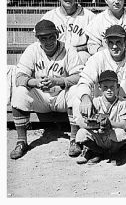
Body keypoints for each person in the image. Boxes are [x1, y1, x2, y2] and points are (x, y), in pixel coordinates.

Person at [75, 25, 126, 158]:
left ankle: (117, 147)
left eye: (119, 42)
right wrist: (85, 97)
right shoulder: (98, 58)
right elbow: (84, 80)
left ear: (125, 42)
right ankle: (95, 147)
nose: (114, 46)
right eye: (111, 43)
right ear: (106, 43)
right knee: (79, 114)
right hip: (100, 109)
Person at [9, 20, 83, 159]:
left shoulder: (68, 49)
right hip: (41, 98)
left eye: (51, 37)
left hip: (61, 97)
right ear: (38, 39)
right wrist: (35, 82)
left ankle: (74, 140)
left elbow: (79, 76)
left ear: (57, 35)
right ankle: (21, 141)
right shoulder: (32, 50)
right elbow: (19, 77)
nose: (48, 41)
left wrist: (59, 81)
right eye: (43, 38)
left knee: (76, 91)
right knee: (19, 91)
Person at [75, 70, 126, 165]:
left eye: (112, 87)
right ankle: (96, 152)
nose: (109, 90)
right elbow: (81, 122)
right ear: (99, 88)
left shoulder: (123, 103)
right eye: (105, 87)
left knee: (121, 134)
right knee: (81, 133)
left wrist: (109, 122)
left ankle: (113, 153)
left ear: (117, 87)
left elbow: (124, 124)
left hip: (111, 135)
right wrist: (97, 123)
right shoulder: (95, 102)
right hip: (98, 136)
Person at [41, 0, 95, 64]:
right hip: (55, 54)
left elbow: (94, 43)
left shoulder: (89, 16)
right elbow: (40, 41)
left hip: (79, 55)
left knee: (83, 56)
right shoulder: (48, 17)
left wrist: (75, 50)